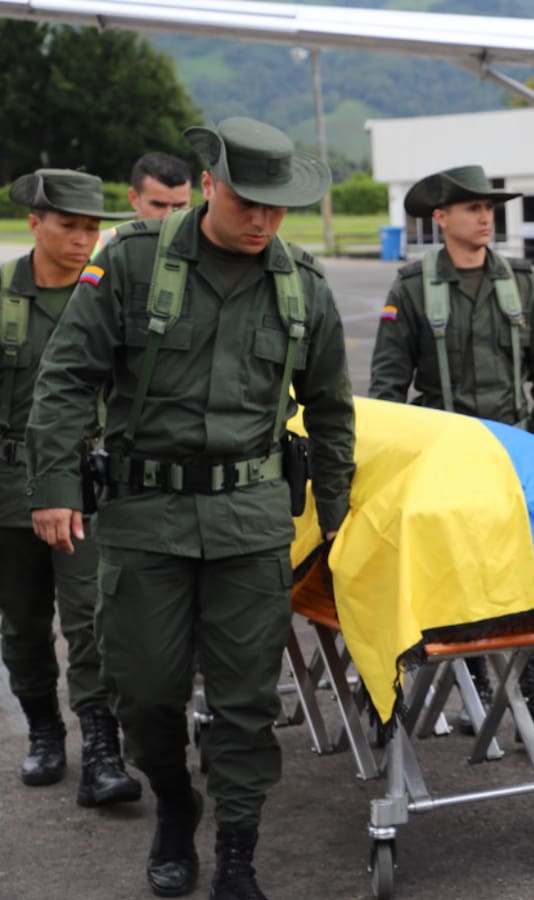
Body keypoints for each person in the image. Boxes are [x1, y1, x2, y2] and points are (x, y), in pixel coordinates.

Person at [26, 117, 357, 899]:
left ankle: (237, 855)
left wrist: (337, 513)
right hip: (145, 518)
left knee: (245, 703)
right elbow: (67, 378)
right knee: (143, 692)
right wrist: (53, 489)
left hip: (249, 521)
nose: (262, 221)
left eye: (277, 208)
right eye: (248, 202)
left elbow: (332, 408)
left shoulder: (302, 283)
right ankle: (176, 803)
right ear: (210, 186)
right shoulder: (135, 264)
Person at [367, 164, 534, 739]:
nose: (484, 217)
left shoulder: (520, 282)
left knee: (527, 569)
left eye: (489, 208)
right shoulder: (412, 287)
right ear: (441, 218)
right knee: (456, 571)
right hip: (444, 456)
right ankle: (471, 678)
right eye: (472, 208)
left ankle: (533, 681)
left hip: (513, 452)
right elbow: (386, 389)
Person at [0, 169, 141, 808]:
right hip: (8, 488)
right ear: (35, 222)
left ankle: (102, 749)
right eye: (69, 225)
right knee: (25, 624)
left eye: (92, 226)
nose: (83, 238)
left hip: (87, 484)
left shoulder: (107, 294)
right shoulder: (4, 296)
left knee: (91, 621)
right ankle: (44, 732)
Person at [92, 151, 193, 257]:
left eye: (179, 206)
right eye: (159, 205)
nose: (169, 216)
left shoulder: (207, 246)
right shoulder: (100, 247)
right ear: (133, 198)